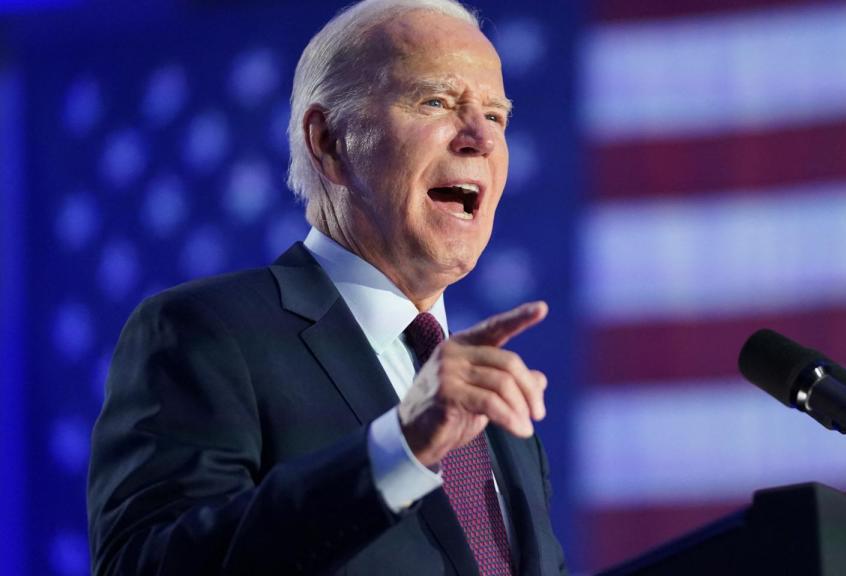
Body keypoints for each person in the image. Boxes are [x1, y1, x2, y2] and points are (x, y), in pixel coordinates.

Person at [86, 0, 567, 573]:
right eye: (435, 101)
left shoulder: (495, 412)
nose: (479, 140)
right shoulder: (206, 335)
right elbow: (144, 565)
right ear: (329, 142)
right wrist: (398, 448)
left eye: (495, 115)